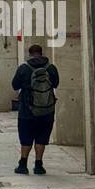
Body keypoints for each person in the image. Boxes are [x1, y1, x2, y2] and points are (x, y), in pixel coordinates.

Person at [12, 43, 60, 174]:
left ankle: (23, 164)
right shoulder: (51, 68)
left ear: (29, 54)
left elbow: (15, 85)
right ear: (42, 53)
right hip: (46, 110)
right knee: (41, 137)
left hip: (27, 110)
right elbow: (56, 84)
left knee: (26, 137)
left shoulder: (23, 68)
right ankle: (38, 164)